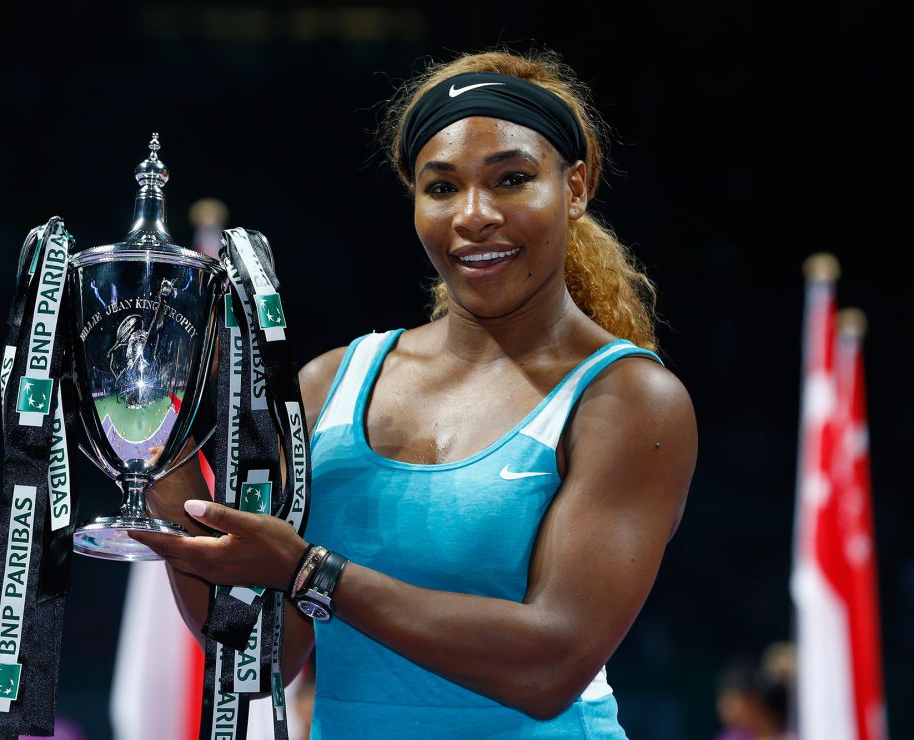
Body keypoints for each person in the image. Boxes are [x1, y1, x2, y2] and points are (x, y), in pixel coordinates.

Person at [138, 47, 697, 738]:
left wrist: (311, 572)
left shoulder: (631, 400)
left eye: (512, 179)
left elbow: (548, 667)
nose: (473, 215)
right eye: (441, 188)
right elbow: (260, 659)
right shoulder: (327, 384)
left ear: (575, 187)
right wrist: (160, 467)